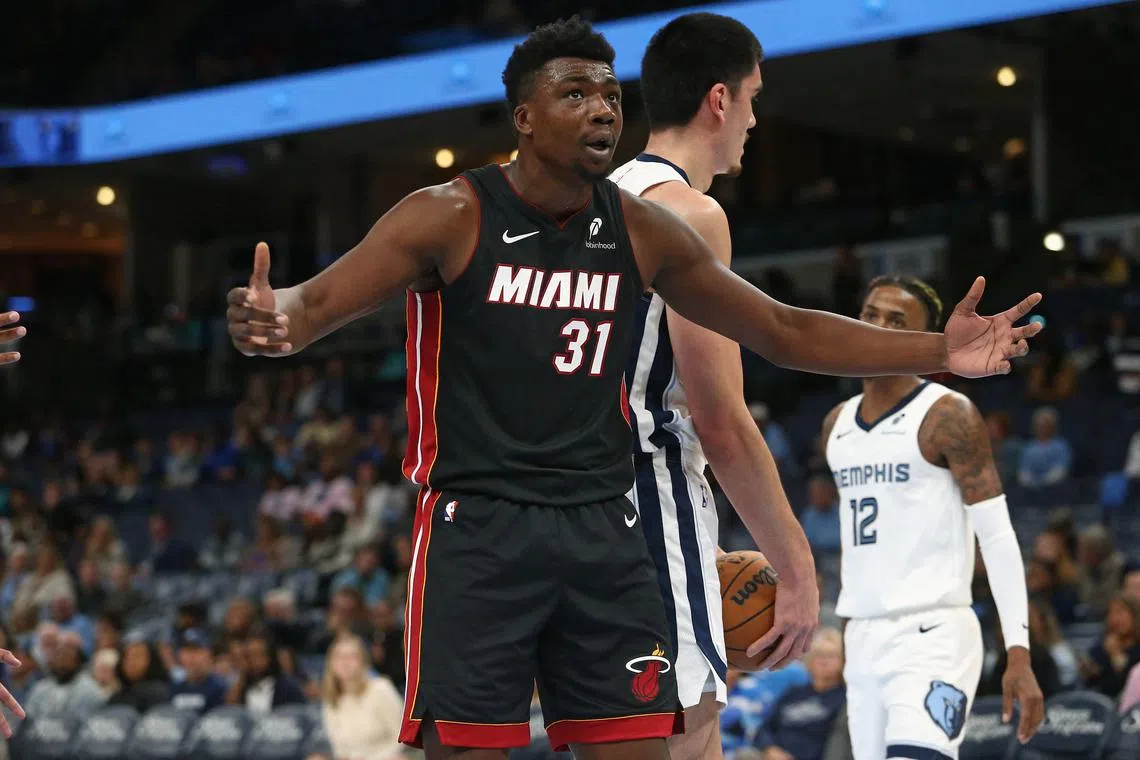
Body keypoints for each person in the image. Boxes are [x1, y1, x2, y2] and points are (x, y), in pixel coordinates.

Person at [225, 17, 1042, 759]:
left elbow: (782, 328)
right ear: (524, 117)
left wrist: (941, 348)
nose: (601, 109)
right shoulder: (448, 214)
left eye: (611, 94)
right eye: (574, 92)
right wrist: (276, 318)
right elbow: (316, 304)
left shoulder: (639, 229)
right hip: (482, 527)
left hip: (605, 532)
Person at [608, 14, 819, 759]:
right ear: (719, 99)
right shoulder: (690, 213)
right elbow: (720, 421)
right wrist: (796, 569)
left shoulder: (582, 206)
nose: (757, 119)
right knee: (691, 744)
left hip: (569, 521)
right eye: (754, 98)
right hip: (653, 505)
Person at [820, 276, 1045, 760]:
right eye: (871, 314)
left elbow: (998, 536)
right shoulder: (835, 424)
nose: (877, 327)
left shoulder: (947, 414)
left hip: (933, 631)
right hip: (861, 636)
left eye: (897, 322)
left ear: (924, 341)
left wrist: (1018, 651)